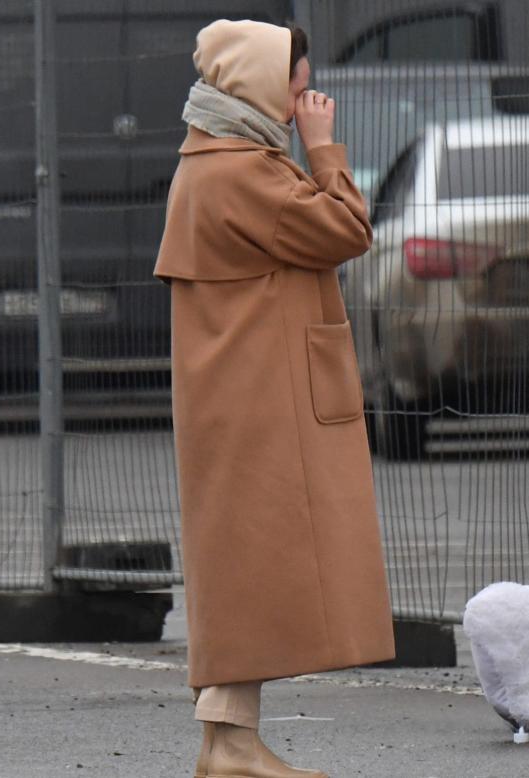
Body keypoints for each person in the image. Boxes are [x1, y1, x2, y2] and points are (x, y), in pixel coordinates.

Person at [154, 19, 394, 778]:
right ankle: (228, 745)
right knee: (253, 570)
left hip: (252, 398)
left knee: (245, 569)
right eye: (294, 90)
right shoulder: (242, 172)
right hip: (263, 404)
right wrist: (325, 149)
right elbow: (346, 228)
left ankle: (228, 741)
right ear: (257, 87)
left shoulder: (228, 161)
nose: (301, 106)